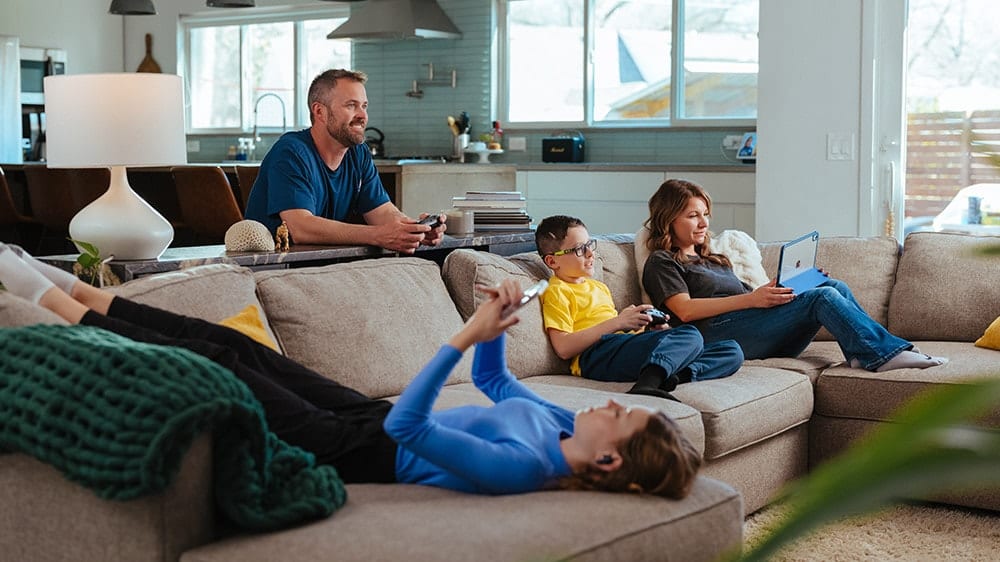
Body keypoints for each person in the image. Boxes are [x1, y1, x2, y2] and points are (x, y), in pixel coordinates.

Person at [0, 243, 702, 499]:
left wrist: (459, 338)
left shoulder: (521, 468)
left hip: (358, 451)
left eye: (622, 415)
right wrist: (498, 323)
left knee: (217, 363)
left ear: (608, 462)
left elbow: (407, 425)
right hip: (370, 422)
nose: (608, 406)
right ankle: (75, 288)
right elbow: (496, 386)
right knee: (243, 348)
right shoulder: (557, 423)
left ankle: (51, 302)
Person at [640, 179, 948, 372]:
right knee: (822, 298)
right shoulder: (662, 262)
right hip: (715, 339)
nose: (703, 222)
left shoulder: (714, 259)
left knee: (829, 285)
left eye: (706, 214)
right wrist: (752, 298)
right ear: (669, 220)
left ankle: (863, 353)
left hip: (749, 330)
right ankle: (882, 355)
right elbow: (684, 309)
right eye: (693, 215)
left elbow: (749, 301)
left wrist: (778, 288)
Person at [535, 215, 743, 401]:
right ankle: (646, 385)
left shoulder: (597, 287)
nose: (590, 253)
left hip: (621, 344)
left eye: (590, 244)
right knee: (691, 335)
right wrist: (618, 322)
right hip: (594, 356)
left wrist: (647, 331)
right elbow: (563, 348)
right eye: (579, 249)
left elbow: (621, 334)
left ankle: (670, 377)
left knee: (731, 350)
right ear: (553, 261)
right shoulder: (557, 291)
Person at [243, 69, 445, 254]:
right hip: (278, 268)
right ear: (319, 112)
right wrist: (377, 235)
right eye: (351, 105)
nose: (362, 115)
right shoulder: (291, 152)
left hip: (320, 266)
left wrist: (414, 229)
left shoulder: (358, 153)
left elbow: (383, 212)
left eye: (364, 106)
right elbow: (301, 228)